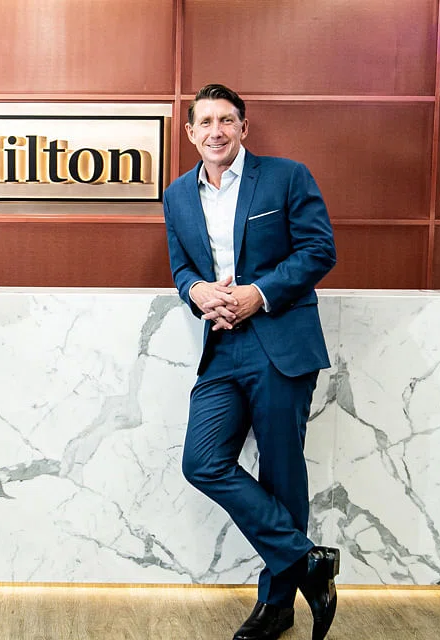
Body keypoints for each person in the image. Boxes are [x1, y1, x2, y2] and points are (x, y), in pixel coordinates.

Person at [163, 84, 339, 640]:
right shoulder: (177, 195)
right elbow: (181, 268)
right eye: (205, 122)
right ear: (190, 133)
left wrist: (257, 294)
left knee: (281, 472)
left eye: (226, 121)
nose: (215, 131)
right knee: (202, 461)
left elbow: (319, 250)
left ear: (244, 127)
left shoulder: (286, 177)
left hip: (279, 341)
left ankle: (277, 605)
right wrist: (196, 291)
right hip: (221, 347)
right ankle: (306, 560)